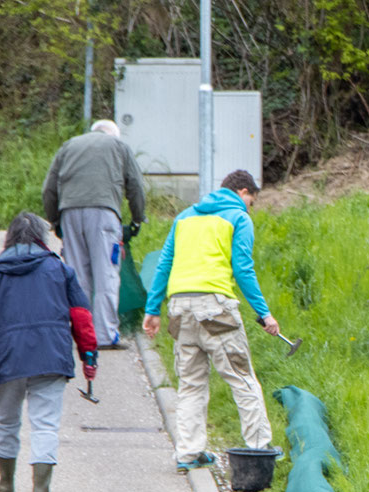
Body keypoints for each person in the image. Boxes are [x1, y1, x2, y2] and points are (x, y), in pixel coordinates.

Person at [140, 169, 281, 472]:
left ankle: (188, 454)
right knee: (241, 377)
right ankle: (259, 449)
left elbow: (164, 263)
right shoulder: (238, 218)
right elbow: (243, 268)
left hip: (179, 307)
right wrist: (264, 313)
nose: (250, 208)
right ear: (243, 191)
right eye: (251, 201)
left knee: (190, 384)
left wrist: (152, 310)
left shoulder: (185, 217)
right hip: (214, 308)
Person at [0, 212, 98, 492]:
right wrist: (89, 355)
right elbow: (82, 317)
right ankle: (41, 490)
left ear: (9, 238)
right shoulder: (61, 270)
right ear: (43, 237)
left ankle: (6, 483)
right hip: (51, 355)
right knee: (46, 424)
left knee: (5, 419)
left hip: (6, 358)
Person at [41, 119, 147, 349]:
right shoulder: (119, 147)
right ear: (113, 135)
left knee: (78, 277)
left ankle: (81, 334)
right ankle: (105, 336)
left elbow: (48, 189)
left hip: (69, 213)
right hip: (103, 214)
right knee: (106, 273)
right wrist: (138, 219)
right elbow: (136, 186)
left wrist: (56, 221)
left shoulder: (69, 146)